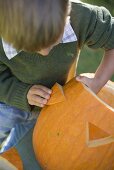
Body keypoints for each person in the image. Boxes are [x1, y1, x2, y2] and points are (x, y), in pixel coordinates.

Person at [0, 0, 114, 152]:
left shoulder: (82, 17)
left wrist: (98, 81)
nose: (45, 52)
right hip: (5, 104)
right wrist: (22, 93)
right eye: (32, 48)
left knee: (18, 147)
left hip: (48, 107)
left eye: (54, 41)